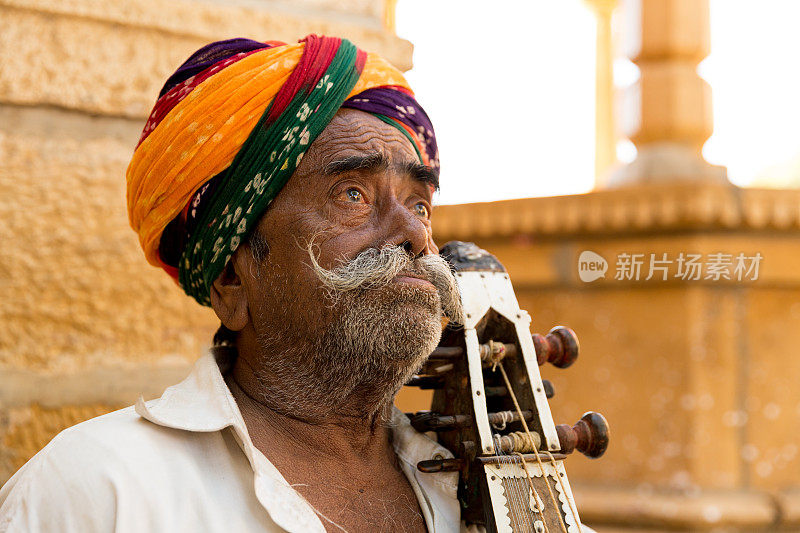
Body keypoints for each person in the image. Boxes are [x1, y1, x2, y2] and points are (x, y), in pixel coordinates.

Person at [0, 36, 468, 532]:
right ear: (231, 279)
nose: (417, 235)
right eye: (353, 194)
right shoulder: (98, 489)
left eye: (419, 204)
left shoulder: (469, 483)